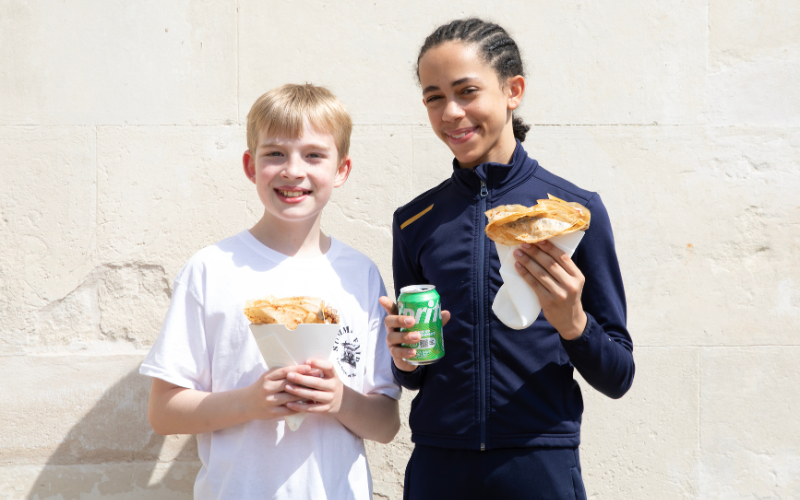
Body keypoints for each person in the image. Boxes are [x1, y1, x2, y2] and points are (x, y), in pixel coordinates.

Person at [380, 18, 635, 500]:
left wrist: (573, 324)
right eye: (435, 97)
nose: (451, 113)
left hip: (538, 464)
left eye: (467, 91)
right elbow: (415, 376)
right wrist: (403, 358)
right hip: (439, 467)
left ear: (512, 91)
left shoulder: (575, 212)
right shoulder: (414, 221)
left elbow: (619, 374)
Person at [141, 83, 402, 500]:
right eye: (275, 153)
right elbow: (163, 413)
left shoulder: (360, 276)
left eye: (314, 155)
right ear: (250, 165)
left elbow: (386, 423)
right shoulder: (210, 269)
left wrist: (340, 399)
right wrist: (250, 402)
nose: (293, 170)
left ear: (341, 170)